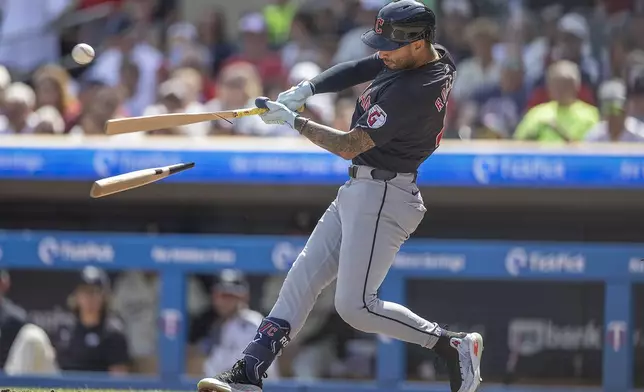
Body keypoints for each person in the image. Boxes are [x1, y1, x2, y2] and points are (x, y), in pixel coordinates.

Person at [197, 2, 483, 392]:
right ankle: (248, 371)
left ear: (419, 44)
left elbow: (350, 145)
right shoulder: (423, 58)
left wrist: (294, 120)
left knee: (356, 307)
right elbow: (364, 67)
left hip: (386, 194)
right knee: (302, 277)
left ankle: (450, 344)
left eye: (391, 44)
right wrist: (308, 88)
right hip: (362, 188)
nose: (382, 51)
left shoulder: (417, 88)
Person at [190, 270, 279, 379]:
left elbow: (248, 368)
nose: (226, 301)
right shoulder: (211, 324)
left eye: (231, 296)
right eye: (222, 295)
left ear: (243, 297)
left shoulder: (253, 323)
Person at [53, 266, 130, 374]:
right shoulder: (64, 327)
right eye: (84, 291)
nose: (90, 298)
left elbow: (119, 376)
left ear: (104, 296)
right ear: (76, 296)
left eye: (95, 292)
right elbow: (55, 368)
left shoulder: (114, 332)